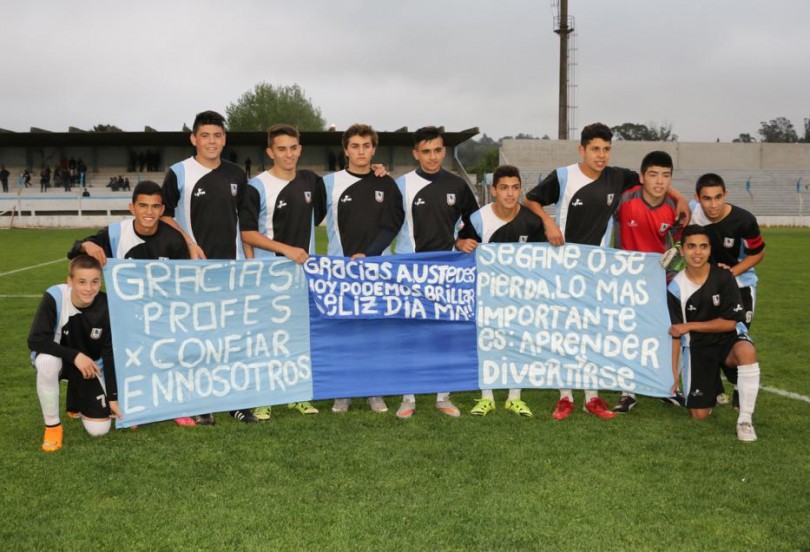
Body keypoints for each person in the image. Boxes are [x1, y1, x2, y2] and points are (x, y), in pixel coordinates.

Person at [523, 122, 690, 421]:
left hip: (598, 269)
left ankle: (593, 397)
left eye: (606, 149)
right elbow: (530, 199)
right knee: (565, 333)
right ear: (582, 150)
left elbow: (651, 180)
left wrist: (678, 199)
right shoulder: (563, 176)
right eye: (596, 149)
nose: (601, 155)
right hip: (563, 266)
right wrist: (548, 223)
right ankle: (565, 397)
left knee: (593, 333)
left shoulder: (617, 177)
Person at [161, 110, 256, 425]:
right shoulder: (178, 172)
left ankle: (235, 402)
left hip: (230, 269)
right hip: (192, 271)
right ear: (193, 138)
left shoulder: (236, 174)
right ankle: (201, 403)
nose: (211, 141)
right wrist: (188, 242)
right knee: (198, 339)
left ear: (224, 139)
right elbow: (163, 214)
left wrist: (249, 261)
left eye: (217, 135)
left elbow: (244, 222)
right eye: (205, 135)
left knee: (230, 339)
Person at [240, 123, 327, 419]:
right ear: (270, 152)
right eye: (281, 149)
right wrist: (286, 249)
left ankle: (298, 395)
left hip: (303, 273)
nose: (288, 154)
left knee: (298, 334)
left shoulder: (312, 182)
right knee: (267, 336)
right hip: (268, 273)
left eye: (293, 148)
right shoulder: (256, 187)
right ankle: (264, 396)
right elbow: (247, 233)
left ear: (300, 149)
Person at [393, 126, 480, 418]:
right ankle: (409, 398)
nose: (433, 157)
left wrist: (460, 240)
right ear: (416, 153)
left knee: (444, 336)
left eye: (438, 151)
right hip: (409, 270)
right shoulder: (401, 185)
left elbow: (474, 222)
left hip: (446, 272)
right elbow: (385, 224)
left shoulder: (457, 186)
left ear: (444, 150)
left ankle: (443, 396)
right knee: (412, 336)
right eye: (426, 152)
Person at [325, 124, 404, 414]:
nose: (361, 151)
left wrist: (369, 255)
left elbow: (393, 224)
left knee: (374, 332)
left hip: (376, 270)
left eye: (366, 146)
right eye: (355, 146)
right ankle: (343, 392)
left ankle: (374, 390)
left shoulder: (387, 183)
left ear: (374, 149)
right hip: (339, 270)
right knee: (344, 332)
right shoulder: (329, 183)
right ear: (346, 149)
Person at [456, 164, 545, 417]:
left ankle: (514, 397)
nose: (510, 194)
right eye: (504, 188)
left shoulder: (532, 221)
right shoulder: (478, 219)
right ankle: (487, 396)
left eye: (515, 188)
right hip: (486, 294)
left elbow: (540, 261)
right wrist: (459, 242)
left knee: (517, 342)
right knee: (487, 343)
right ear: (494, 190)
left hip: (519, 294)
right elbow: (462, 248)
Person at [667, 225, 760, 442]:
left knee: (746, 351)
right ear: (682, 250)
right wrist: (673, 374)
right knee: (699, 416)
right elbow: (675, 333)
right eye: (691, 247)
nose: (697, 252)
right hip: (698, 347)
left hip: (728, 340)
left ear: (710, 250)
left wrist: (691, 326)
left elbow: (730, 324)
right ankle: (714, 384)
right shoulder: (675, 287)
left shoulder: (724, 277)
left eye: (703, 247)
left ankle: (745, 420)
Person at [611, 150, 684, 412]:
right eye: (653, 174)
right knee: (629, 334)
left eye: (666, 176)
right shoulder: (624, 201)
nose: (659, 181)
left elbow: (681, 248)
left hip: (662, 280)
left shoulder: (676, 209)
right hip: (627, 279)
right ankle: (627, 392)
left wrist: (667, 275)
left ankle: (669, 387)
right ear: (642, 177)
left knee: (668, 332)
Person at [27, 255, 122, 452]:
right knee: (46, 362)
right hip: (60, 359)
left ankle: (76, 402)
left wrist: (113, 397)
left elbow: (109, 353)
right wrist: (75, 356)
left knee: (99, 430)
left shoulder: (107, 305)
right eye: (82, 282)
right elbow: (36, 340)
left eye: (95, 281)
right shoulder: (55, 296)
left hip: (90, 367)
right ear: (69, 281)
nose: (89, 288)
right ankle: (52, 426)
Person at [690, 173, 766, 409]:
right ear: (698, 198)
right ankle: (714, 388)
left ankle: (738, 387)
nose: (712, 205)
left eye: (718, 197)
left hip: (741, 286)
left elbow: (758, 253)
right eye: (707, 199)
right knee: (705, 336)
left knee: (736, 339)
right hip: (707, 286)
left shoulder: (744, 220)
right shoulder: (693, 211)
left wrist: (730, 273)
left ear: (726, 195)